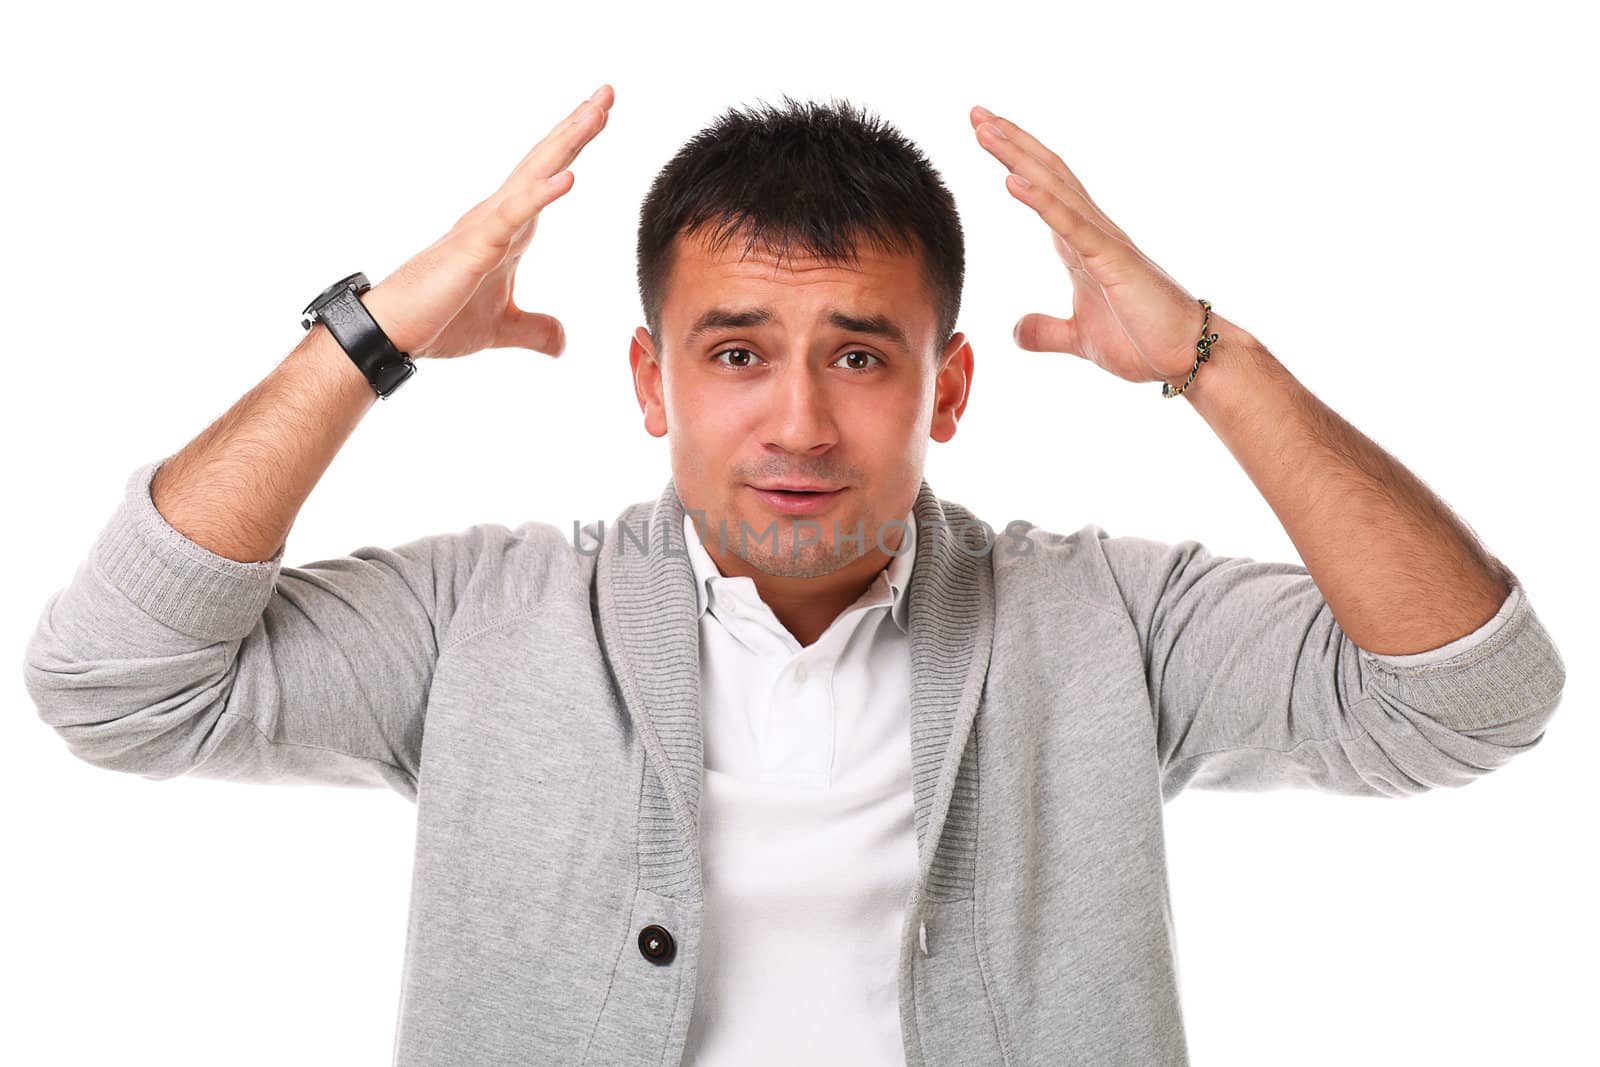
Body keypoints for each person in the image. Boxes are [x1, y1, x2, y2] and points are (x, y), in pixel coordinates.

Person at [22, 84, 1567, 1066]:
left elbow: (1471, 695)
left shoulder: (1104, 620)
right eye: (739, 353)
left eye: (862, 357)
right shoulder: (477, 623)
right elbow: (114, 687)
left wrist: (1212, 360)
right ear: (652, 380)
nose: (800, 422)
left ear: (947, 392)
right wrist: (370, 339)